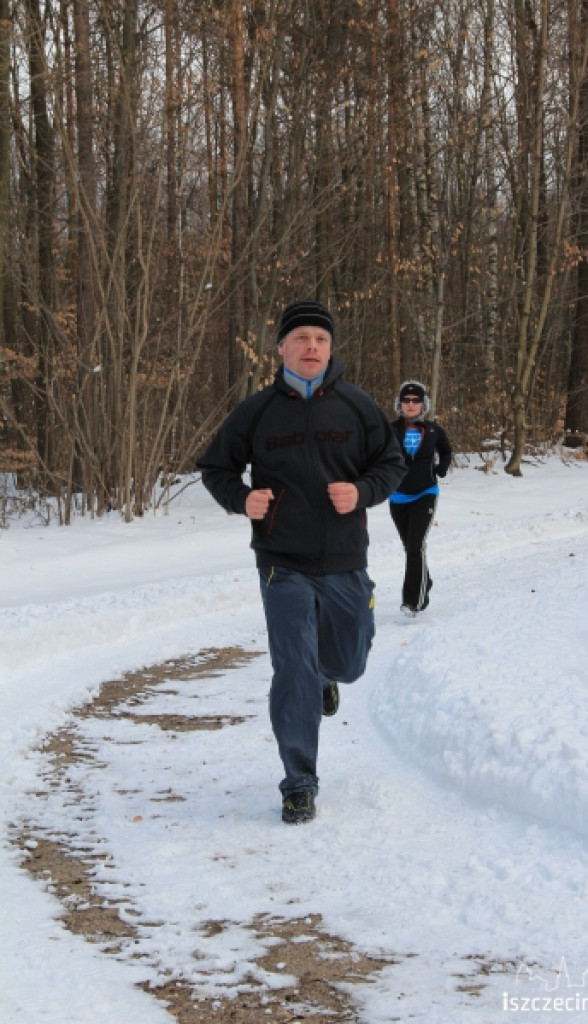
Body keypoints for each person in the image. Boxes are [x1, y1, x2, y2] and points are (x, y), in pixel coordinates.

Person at [196, 300, 405, 824]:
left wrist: (361, 492)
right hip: (281, 562)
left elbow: (392, 464)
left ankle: (327, 675)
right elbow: (215, 467)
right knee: (292, 669)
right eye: (302, 338)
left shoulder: (357, 406)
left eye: (321, 339)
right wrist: (242, 499)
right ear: (282, 348)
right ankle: (299, 783)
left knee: (350, 662)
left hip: (345, 559)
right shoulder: (258, 411)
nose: (312, 347)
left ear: (330, 350)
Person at [389, 380, 452, 617]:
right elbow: (375, 454)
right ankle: (425, 579)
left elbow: (446, 450)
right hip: (397, 496)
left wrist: (441, 467)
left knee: (416, 546)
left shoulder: (434, 431)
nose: (411, 404)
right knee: (410, 547)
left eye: (416, 400)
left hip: (425, 493)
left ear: (423, 404)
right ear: (400, 404)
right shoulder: (390, 431)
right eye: (406, 400)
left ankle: (413, 601)